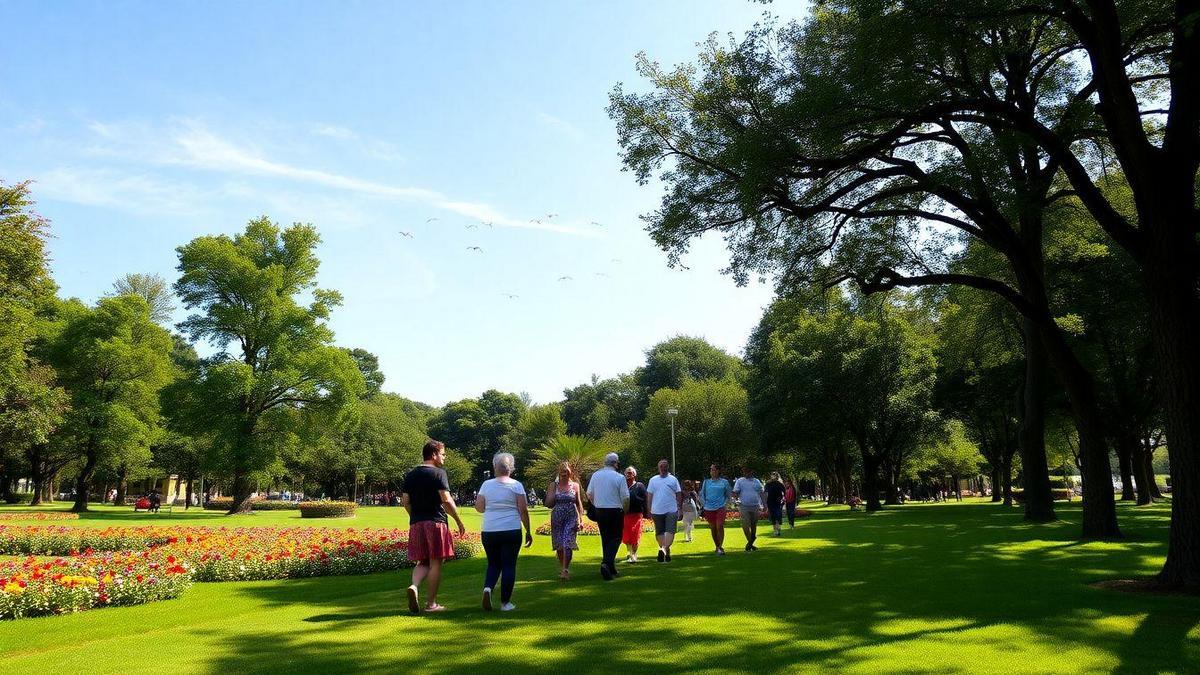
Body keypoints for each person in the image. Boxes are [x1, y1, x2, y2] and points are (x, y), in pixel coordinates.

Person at [402, 439, 467, 614]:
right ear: (434, 454)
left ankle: (414, 586)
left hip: (416, 523)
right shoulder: (439, 473)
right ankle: (431, 604)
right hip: (436, 522)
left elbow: (405, 502)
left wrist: (415, 516)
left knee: (422, 561)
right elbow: (446, 500)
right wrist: (458, 521)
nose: (444, 458)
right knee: (436, 563)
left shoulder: (411, 474)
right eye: (443, 454)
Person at [474, 452, 533, 612]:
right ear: (511, 468)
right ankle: (505, 603)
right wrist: (528, 530)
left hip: (490, 530)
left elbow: (479, 507)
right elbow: (523, 511)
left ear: (495, 467)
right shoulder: (516, 485)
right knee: (508, 566)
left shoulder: (486, 485)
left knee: (493, 564)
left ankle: (488, 588)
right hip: (511, 529)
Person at [586, 452, 630, 580]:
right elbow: (626, 497)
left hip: (600, 511)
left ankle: (610, 567)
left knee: (606, 538)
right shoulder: (619, 477)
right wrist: (625, 510)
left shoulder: (596, 475)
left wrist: (596, 503)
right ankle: (606, 563)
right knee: (616, 538)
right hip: (615, 510)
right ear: (616, 463)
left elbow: (589, 493)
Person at [545, 461, 584, 580]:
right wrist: (551, 495)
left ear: (570, 472)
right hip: (557, 517)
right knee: (559, 545)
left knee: (567, 543)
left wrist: (581, 520)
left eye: (566, 471)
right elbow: (548, 503)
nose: (564, 473)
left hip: (571, 516)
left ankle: (565, 569)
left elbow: (579, 503)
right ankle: (563, 567)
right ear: (559, 472)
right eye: (562, 471)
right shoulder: (553, 485)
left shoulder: (575, 485)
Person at [646, 459, 683, 563]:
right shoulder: (653, 480)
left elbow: (678, 493)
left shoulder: (673, 479)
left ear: (668, 467)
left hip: (671, 510)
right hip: (657, 510)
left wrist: (679, 508)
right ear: (658, 468)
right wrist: (649, 509)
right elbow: (649, 495)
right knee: (660, 532)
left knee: (670, 531)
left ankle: (662, 548)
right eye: (661, 466)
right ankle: (666, 551)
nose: (663, 468)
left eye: (665, 466)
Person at [700, 464, 732, 555]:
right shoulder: (706, 482)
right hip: (709, 508)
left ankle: (720, 547)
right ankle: (717, 546)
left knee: (720, 526)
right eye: (711, 470)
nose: (712, 472)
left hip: (720, 507)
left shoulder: (724, 482)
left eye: (714, 470)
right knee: (713, 528)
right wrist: (704, 504)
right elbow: (702, 494)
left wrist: (725, 504)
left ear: (718, 471)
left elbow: (728, 495)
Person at [733, 467, 765, 551]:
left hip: (755, 505)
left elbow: (762, 493)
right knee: (745, 525)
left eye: (747, 471)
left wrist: (765, 505)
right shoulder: (740, 481)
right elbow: (735, 492)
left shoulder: (756, 481)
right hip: (743, 505)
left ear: (751, 471)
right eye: (744, 471)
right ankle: (751, 541)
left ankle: (750, 543)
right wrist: (736, 499)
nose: (745, 473)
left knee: (754, 524)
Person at [621, 467, 648, 563]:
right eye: (627, 473)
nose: (629, 474)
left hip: (637, 514)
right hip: (625, 515)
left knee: (635, 535)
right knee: (626, 535)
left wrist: (647, 512)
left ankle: (634, 554)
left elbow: (645, 499)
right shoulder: (622, 486)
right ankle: (630, 553)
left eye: (631, 472)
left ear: (634, 475)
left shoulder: (639, 486)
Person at [765, 472, 786, 536]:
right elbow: (765, 492)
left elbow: (784, 492)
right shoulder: (768, 483)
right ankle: (775, 530)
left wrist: (782, 498)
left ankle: (778, 529)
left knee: (778, 515)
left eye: (774, 475)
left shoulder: (780, 483)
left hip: (777, 502)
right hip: (770, 502)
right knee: (773, 516)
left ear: (777, 476)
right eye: (772, 475)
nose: (773, 476)